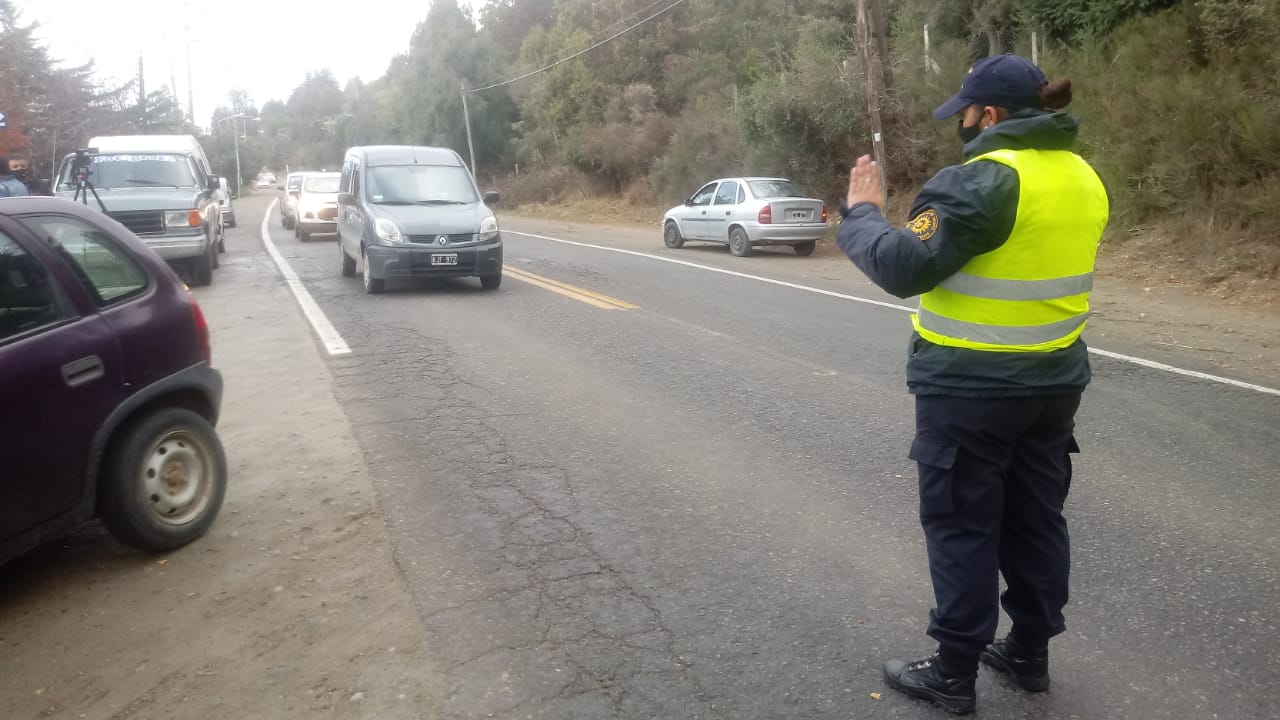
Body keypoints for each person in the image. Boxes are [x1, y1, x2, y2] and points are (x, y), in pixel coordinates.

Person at [837, 53, 1109, 715]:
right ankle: (1029, 651)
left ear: (990, 115)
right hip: (1053, 385)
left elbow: (904, 265)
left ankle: (954, 672)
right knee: (1035, 517)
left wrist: (863, 214)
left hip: (971, 388)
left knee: (962, 523)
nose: (959, 124)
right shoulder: (1083, 176)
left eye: (964, 113)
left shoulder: (982, 181)